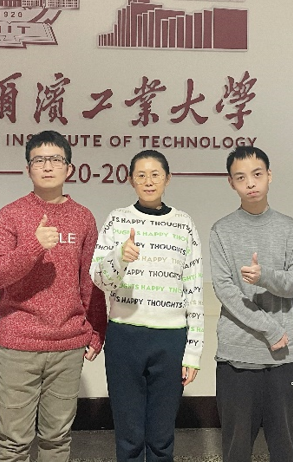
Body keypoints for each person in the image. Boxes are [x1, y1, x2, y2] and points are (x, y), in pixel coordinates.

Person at [0, 130, 107, 462]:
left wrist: (97, 330)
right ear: (28, 168)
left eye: (56, 159)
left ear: (69, 168)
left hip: (67, 345)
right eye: (39, 160)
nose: (48, 166)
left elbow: (90, 281)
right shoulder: (10, 214)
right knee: (13, 443)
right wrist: (34, 246)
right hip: (18, 343)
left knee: (57, 440)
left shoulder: (83, 217)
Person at [91, 149, 203, 462]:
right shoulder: (117, 220)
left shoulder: (183, 224)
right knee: (129, 436)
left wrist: (193, 352)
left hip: (171, 339)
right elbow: (99, 278)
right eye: (141, 175)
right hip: (124, 336)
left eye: (155, 174)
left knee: (161, 436)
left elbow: (193, 289)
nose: (149, 181)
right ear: (131, 180)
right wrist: (119, 257)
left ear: (168, 179)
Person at [209, 146, 293, 462]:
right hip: (237, 358)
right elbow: (225, 290)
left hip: (283, 359)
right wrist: (271, 329)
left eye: (257, 174)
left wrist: (265, 277)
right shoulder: (221, 230)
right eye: (240, 177)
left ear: (269, 176)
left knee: (286, 451)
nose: (250, 183)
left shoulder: (290, 228)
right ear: (231, 183)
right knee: (236, 452)